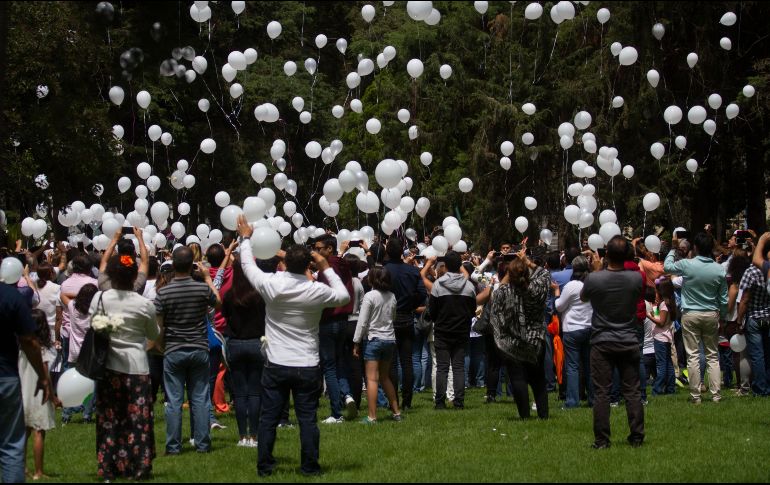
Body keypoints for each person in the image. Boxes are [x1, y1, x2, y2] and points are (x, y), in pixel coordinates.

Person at [236, 215, 350, 477]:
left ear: (284, 263)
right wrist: (325, 266)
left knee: (269, 418)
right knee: (307, 419)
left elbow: (247, 265)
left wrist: (245, 239)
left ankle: (265, 466)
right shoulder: (316, 289)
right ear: (309, 265)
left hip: (277, 363)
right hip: (307, 364)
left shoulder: (271, 284)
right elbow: (343, 295)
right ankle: (309, 467)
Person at [92, 248, 160, 481]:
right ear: (134, 277)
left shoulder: (99, 298)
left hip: (108, 366)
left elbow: (95, 326)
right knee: (137, 419)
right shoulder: (143, 304)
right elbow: (154, 332)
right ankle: (139, 465)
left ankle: (109, 466)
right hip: (136, 367)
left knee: (109, 417)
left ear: (110, 275)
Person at [155, 246, 221, 455]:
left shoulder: (163, 293)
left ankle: (173, 446)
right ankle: (202, 443)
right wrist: (207, 278)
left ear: (173, 265)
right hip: (199, 348)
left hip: (174, 349)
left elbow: (159, 327)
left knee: (173, 401)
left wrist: (159, 346)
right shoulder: (201, 289)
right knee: (200, 398)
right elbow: (218, 302)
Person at [581, 236, 644, 449]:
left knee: (601, 392)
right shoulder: (636, 278)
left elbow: (584, 297)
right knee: (632, 391)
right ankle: (637, 436)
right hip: (628, 338)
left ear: (606, 254)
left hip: (602, 340)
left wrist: (597, 271)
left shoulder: (594, 279)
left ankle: (602, 440)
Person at [0, 274, 54, 483]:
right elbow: (29, 341)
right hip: (6, 376)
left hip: (10, 375)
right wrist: (43, 377)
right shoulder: (10, 296)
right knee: (12, 444)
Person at [664, 232, 727, 404]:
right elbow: (723, 298)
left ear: (696, 248)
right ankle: (716, 395)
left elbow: (667, 267)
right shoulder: (719, 269)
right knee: (712, 355)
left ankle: (696, 395)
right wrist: (723, 318)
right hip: (711, 313)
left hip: (690, 313)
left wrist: (673, 248)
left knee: (692, 355)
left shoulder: (687, 264)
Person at [488, 250, 550, 419]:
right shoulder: (537, 289)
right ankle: (543, 414)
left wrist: (509, 273)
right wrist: (527, 262)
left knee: (517, 378)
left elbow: (495, 301)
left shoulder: (504, 292)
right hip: (535, 340)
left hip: (512, 342)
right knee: (538, 379)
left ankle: (524, 415)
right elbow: (544, 274)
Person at [222, 255, 274, 448]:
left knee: (240, 393)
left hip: (235, 344)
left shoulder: (229, 295)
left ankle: (242, 435)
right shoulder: (260, 295)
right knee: (255, 393)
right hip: (256, 344)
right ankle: (254, 435)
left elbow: (225, 316)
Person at [312, 234, 355, 423]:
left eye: (319, 247)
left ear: (329, 249)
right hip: (344, 320)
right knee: (339, 363)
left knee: (329, 366)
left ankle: (336, 412)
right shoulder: (344, 264)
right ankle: (347, 395)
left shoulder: (328, 268)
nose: (316, 251)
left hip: (328, 320)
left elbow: (323, 294)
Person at [352, 266, 402, 423]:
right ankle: (396, 412)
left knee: (372, 379)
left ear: (372, 279)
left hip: (374, 339)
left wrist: (356, 342)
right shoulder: (392, 296)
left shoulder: (370, 296)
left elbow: (362, 321)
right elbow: (393, 317)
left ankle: (372, 416)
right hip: (389, 339)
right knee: (385, 377)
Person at [428, 251, 477, 410]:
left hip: (442, 330)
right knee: (458, 367)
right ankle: (459, 402)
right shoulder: (469, 286)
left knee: (442, 367)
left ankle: (440, 402)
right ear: (460, 266)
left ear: (446, 266)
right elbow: (472, 309)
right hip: (461, 330)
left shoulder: (437, 285)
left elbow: (432, 310)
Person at [383, 238, 427, 411]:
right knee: (407, 361)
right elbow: (421, 293)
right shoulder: (412, 271)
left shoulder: (384, 270)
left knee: (392, 363)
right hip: (407, 317)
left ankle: (393, 400)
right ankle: (407, 400)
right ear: (402, 252)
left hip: (390, 318)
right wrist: (410, 303)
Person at [20, 309, 58, 481]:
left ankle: (22, 468)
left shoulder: (22, 347)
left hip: (22, 393)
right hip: (39, 393)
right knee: (39, 432)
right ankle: (38, 471)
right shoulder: (42, 349)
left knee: (23, 433)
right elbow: (45, 373)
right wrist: (53, 397)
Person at [553, 256, 593, 409]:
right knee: (589, 365)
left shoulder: (571, 286)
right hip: (589, 326)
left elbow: (560, 306)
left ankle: (572, 400)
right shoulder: (590, 284)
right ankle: (593, 398)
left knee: (572, 366)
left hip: (572, 328)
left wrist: (557, 293)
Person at [60, 283, 99, 423]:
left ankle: (66, 415)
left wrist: (80, 297)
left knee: (69, 385)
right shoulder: (95, 311)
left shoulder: (72, 307)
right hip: (89, 353)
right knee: (90, 387)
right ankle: (87, 415)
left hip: (74, 352)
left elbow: (62, 295)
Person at [738, 232, 770, 396]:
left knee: (757, 356)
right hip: (768, 315)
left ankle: (760, 388)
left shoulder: (752, 271)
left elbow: (744, 299)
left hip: (755, 317)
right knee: (767, 354)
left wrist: (739, 319)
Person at [648, 278, 677, 395]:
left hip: (661, 337)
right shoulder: (670, 302)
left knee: (661, 365)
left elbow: (661, 322)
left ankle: (657, 389)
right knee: (668, 364)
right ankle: (670, 388)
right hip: (667, 336)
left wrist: (648, 316)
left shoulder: (664, 304)